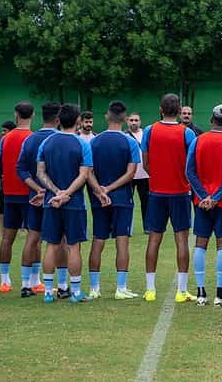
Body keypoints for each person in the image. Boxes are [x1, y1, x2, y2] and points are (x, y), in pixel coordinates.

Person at [141, 93, 198, 304]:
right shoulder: (187, 133)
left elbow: (145, 163)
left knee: (154, 238)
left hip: (156, 191)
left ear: (161, 109)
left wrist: (157, 175)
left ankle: (150, 289)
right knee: (181, 239)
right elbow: (191, 166)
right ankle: (181, 290)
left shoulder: (149, 130)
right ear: (179, 110)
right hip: (180, 192)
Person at [36, 103, 94, 303]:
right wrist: (66, 193)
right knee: (73, 246)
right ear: (78, 120)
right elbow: (84, 174)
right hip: (74, 202)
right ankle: (76, 292)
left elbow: (40, 172)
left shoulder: (46, 142)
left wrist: (55, 192)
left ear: (58, 120)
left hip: (51, 201)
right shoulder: (82, 144)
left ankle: (49, 291)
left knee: (51, 245)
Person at [185, 104, 222, 307]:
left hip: (202, 203)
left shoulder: (198, 140)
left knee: (201, 242)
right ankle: (220, 294)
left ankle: (200, 293)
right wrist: (216, 197)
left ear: (211, 120)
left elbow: (189, 171)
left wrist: (204, 196)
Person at [86, 101, 140, 300]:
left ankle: (94, 288)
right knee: (122, 241)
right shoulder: (130, 142)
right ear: (125, 119)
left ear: (107, 117)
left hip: (99, 199)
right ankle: (121, 287)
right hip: (122, 198)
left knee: (98, 240)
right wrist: (109, 189)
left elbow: (87, 171)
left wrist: (99, 190)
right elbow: (131, 172)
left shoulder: (94, 141)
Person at [16, 102, 61, 297]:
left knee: (32, 238)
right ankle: (64, 285)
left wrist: (37, 189)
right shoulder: (60, 139)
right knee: (60, 240)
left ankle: (27, 284)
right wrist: (51, 190)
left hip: (35, 196)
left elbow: (21, 168)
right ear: (59, 118)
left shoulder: (30, 139)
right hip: (57, 197)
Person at [0, 102, 35, 295]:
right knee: (33, 237)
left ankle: (5, 280)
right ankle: (32, 280)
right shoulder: (33, 138)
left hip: (10, 193)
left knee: (7, 238)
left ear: (15, 115)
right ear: (33, 116)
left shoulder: (5, 138)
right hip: (30, 193)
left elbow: (0, 164)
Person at [127, 112, 150, 233]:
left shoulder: (145, 134)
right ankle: (127, 228)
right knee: (127, 203)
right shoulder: (124, 136)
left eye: (136, 120)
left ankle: (147, 227)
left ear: (140, 121)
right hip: (129, 175)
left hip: (144, 174)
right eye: (131, 120)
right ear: (127, 121)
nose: (134, 122)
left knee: (146, 202)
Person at [0, 119, 16, 234]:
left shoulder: (3, 141)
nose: (2, 133)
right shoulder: (2, 141)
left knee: (6, 204)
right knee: (3, 205)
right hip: (7, 178)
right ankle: (2, 229)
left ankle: (6, 229)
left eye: (5, 131)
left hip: (6, 177)